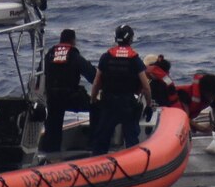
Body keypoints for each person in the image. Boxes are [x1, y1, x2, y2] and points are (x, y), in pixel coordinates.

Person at [90, 24, 152, 155]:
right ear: (130, 39)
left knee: (102, 139)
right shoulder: (135, 59)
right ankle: (133, 166)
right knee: (131, 139)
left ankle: (96, 168)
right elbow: (146, 86)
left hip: (108, 103)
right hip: (127, 104)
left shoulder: (106, 57)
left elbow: (96, 83)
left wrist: (93, 100)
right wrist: (149, 105)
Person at [41, 28, 95, 152]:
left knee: (53, 120)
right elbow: (91, 75)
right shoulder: (74, 55)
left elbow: (40, 75)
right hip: (71, 97)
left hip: (52, 98)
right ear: (73, 41)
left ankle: (51, 151)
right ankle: (93, 143)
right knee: (96, 107)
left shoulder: (49, 55)